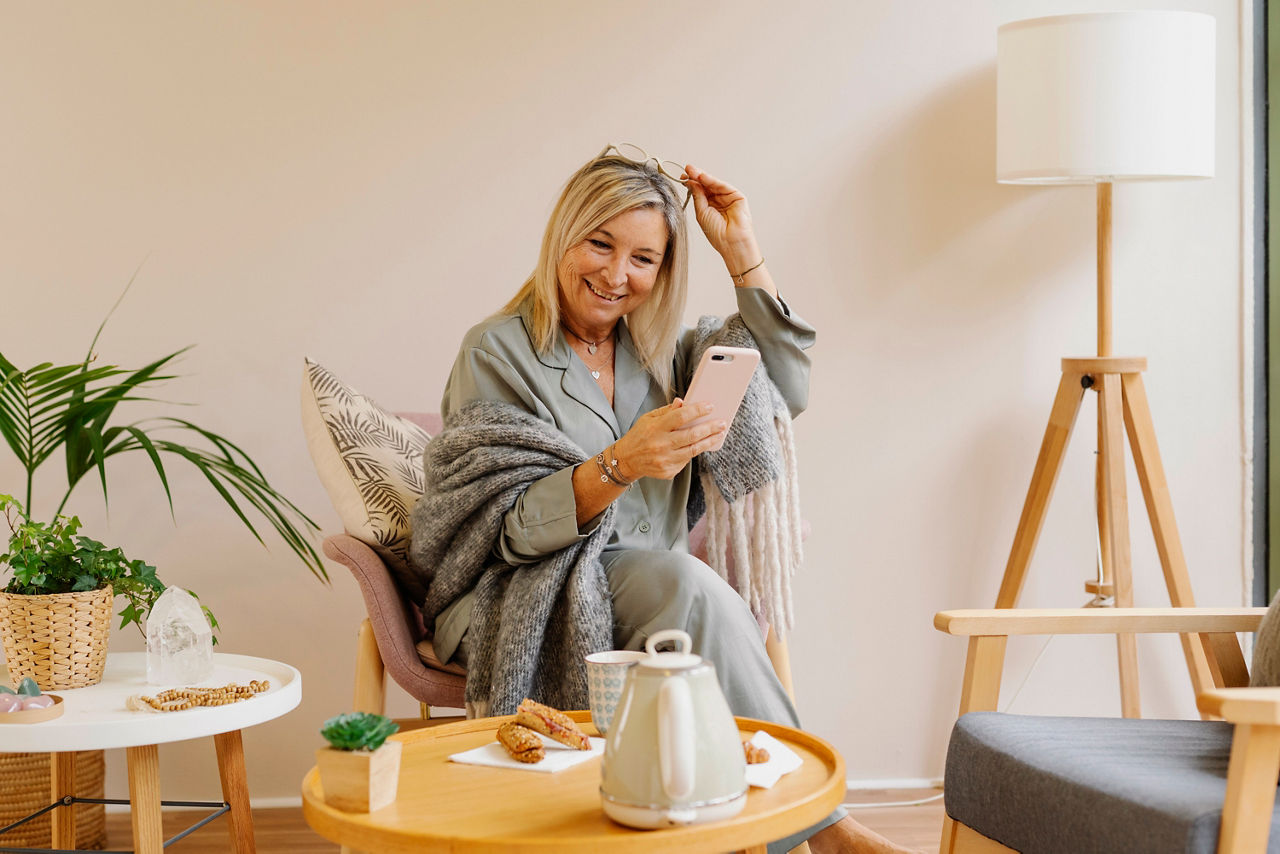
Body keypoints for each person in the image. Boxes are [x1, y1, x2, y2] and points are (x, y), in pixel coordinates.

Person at [410, 144, 909, 854]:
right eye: (600, 244)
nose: (617, 275)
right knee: (689, 584)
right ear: (563, 237)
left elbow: (785, 397)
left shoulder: (667, 350)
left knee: (685, 585)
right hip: (523, 588)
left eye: (643, 259)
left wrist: (742, 254)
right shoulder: (496, 350)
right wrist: (617, 465)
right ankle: (820, 828)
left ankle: (746, 821)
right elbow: (499, 529)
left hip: (657, 587)